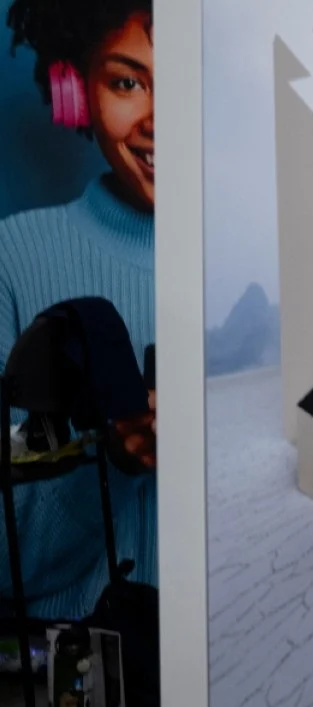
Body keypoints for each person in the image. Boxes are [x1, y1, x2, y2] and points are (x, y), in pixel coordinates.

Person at [0, 0, 155, 621]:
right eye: (127, 82)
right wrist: (113, 465)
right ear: (76, 84)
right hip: (70, 698)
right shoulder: (13, 260)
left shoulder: (267, 261)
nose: (160, 120)